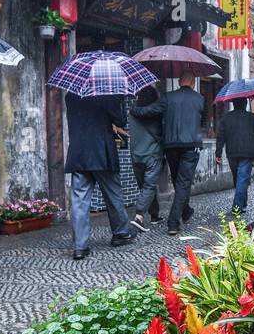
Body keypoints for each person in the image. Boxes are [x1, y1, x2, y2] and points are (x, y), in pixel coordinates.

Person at [131, 73, 204, 237]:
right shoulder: (200, 99)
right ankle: (173, 222)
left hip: (171, 146)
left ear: (179, 81)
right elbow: (201, 119)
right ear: (193, 83)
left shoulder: (168, 97)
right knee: (183, 184)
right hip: (190, 146)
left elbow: (150, 111)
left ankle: (186, 211)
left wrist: (134, 109)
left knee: (180, 182)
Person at [66, 90, 135, 259]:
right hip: (101, 152)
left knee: (79, 200)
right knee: (113, 195)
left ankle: (79, 247)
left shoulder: (71, 95)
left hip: (79, 152)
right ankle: (121, 233)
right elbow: (120, 120)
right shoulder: (107, 94)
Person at [215, 98, 254, 216]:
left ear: (233, 104)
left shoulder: (226, 118)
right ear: (245, 104)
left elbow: (220, 136)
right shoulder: (251, 117)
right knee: (242, 179)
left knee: (239, 179)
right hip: (247, 153)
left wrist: (218, 153)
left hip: (232, 152)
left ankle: (242, 204)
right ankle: (237, 207)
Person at [128, 86, 163, 231]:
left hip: (136, 155)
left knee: (147, 186)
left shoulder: (132, 112)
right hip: (152, 154)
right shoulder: (156, 113)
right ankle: (139, 216)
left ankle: (154, 215)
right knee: (149, 186)